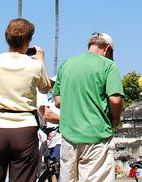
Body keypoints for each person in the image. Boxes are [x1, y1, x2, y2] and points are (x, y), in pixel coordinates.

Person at [0, 18, 51, 182]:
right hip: (25, 128)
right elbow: (45, 87)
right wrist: (40, 59)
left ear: (7, 38)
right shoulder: (34, 65)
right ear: (29, 40)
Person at [53, 32, 124, 182]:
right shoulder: (108, 65)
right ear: (107, 49)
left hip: (68, 137)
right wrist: (115, 118)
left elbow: (58, 101)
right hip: (96, 137)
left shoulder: (67, 64)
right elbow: (116, 100)